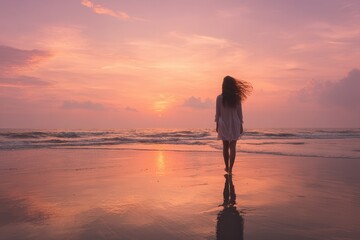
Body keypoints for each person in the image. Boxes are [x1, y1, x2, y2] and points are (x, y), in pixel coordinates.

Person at [215, 76, 252, 174]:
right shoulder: (237, 98)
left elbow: (218, 113)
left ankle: (226, 167)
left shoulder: (219, 98)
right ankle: (231, 168)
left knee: (225, 147)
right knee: (233, 147)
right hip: (235, 123)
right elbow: (240, 113)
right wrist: (241, 125)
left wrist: (217, 125)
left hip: (224, 124)